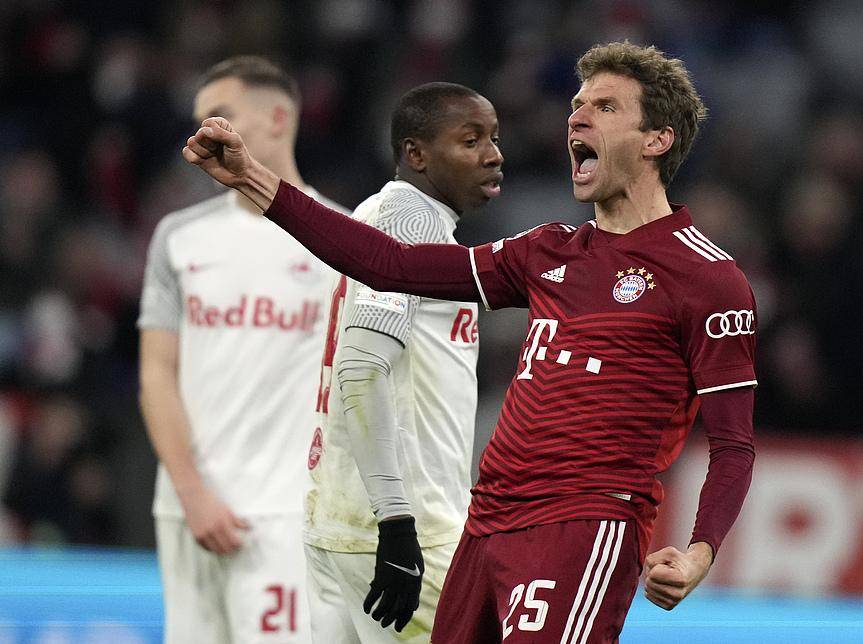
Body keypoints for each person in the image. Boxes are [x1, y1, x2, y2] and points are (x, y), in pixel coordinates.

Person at [183, 41, 757, 643]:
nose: (577, 118)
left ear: (657, 140)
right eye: (577, 105)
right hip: (485, 523)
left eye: (605, 107)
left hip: (582, 522)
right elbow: (389, 264)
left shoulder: (707, 279)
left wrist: (700, 552)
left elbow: (733, 444)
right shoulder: (547, 250)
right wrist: (252, 178)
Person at [139, 56, 342, 643]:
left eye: (221, 115)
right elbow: (157, 373)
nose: (204, 133)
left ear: (277, 118)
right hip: (185, 509)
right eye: (199, 120)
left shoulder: (344, 239)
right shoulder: (179, 238)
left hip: (288, 513)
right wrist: (191, 493)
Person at [303, 82, 502, 642]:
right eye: (471, 141)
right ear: (416, 154)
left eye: (493, 138)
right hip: (402, 529)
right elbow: (362, 369)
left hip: (343, 521)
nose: (493, 155)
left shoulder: (380, 217)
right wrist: (395, 522)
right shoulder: (408, 222)